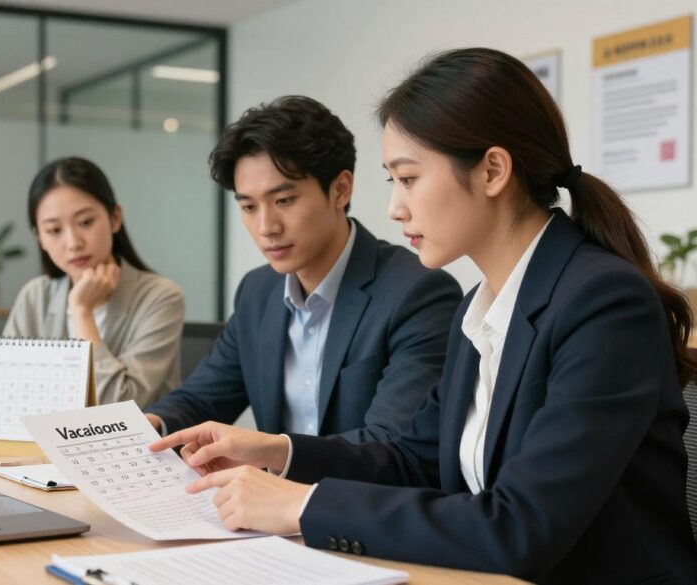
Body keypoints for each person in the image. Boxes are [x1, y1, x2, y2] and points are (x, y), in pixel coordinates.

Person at [150, 49, 697, 584]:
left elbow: (522, 526)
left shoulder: (603, 303)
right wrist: (281, 452)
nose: (394, 208)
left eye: (408, 178)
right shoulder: (480, 307)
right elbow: (415, 462)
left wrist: (304, 505)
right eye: (392, 182)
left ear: (492, 170)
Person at [143, 95, 462, 444]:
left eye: (283, 201)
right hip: (265, 495)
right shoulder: (258, 291)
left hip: (356, 497)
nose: (266, 227)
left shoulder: (417, 292)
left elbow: (392, 443)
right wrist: (150, 427)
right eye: (249, 206)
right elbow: (201, 399)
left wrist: (276, 456)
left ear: (340, 189)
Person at [0, 157, 184, 420]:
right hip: (40, 456)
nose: (73, 242)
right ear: (39, 238)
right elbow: (8, 397)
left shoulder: (160, 296)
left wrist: (81, 310)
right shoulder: (35, 296)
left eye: (85, 222)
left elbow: (116, 409)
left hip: (131, 455)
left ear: (115, 218)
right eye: (54, 230)